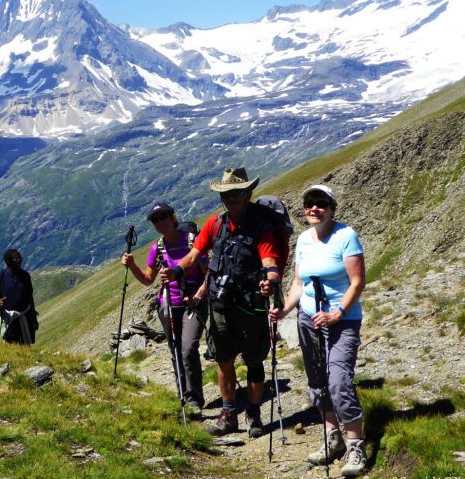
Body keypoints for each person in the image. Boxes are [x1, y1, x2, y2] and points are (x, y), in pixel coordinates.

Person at [161, 167, 282, 438]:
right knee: (223, 359)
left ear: (248, 193)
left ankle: (253, 413)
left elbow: (270, 261)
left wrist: (271, 279)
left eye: (237, 192)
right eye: (226, 193)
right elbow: (194, 255)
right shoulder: (215, 224)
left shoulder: (260, 228)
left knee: (254, 360)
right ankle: (229, 414)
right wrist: (176, 271)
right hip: (219, 302)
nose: (231, 198)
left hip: (250, 303)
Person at [269, 184, 367, 476]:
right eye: (309, 203)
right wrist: (286, 309)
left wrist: (338, 313)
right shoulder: (303, 239)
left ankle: (355, 447)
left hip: (342, 320)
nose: (314, 208)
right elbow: (299, 282)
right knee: (317, 380)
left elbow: (357, 282)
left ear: (332, 209)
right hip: (308, 317)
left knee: (338, 381)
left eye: (321, 203)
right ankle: (331, 437)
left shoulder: (346, 236)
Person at [121, 202, 209, 417]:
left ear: (173, 217)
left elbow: (209, 274)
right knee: (176, 350)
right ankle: (184, 396)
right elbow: (148, 280)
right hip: (168, 304)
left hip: (193, 304)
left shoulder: (192, 243)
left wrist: (198, 296)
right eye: (155, 220)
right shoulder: (157, 249)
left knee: (188, 348)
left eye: (163, 217)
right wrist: (132, 266)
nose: (160, 223)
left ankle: (194, 398)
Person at [0, 249, 38, 345]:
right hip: (7, 317)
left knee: (24, 344)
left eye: (20, 257)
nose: (19, 260)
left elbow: (29, 296)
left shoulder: (25, 276)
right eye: (16, 258)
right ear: (8, 261)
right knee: (6, 343)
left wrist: (33, 317)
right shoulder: (0, 276)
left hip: (24, 315)